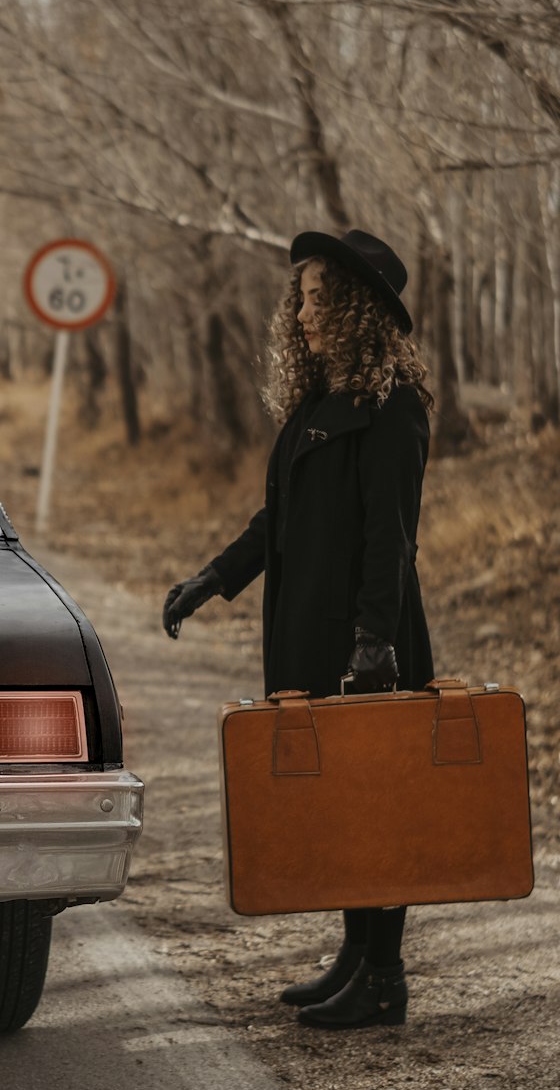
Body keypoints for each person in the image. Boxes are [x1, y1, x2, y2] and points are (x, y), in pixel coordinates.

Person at [162, 228, 435, 1030]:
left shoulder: (392, 411)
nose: (305, 312)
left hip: (364, 639)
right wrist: (216, 578)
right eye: (302, 297)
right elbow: (278, 515)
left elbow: (392, 536)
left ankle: (385, 978)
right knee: (339, 809)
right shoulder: (319, 405)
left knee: (375, 810)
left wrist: (374, 641)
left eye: (321, 297)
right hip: (308, 631)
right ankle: (355, 959)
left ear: (357, 310)